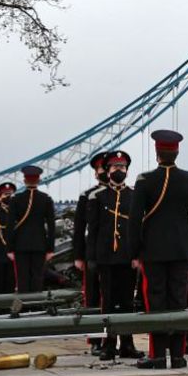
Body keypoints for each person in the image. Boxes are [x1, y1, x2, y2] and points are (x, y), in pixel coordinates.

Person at [130, 130, 188, 370]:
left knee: (156, 303)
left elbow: (134, 220)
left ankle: (157, 356)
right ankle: (178, 356)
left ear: (156, 152)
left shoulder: (144, 181)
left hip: (152, 252)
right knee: (178, 302)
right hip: (181, 251)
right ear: (177, 151)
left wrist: (135, 252)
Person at [90, 150, 143, 361]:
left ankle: (127, 344)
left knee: (127, 302)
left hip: (127, 258)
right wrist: (92, 258)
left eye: (121, 167)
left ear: (127, 171)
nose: (118, 170)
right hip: (106, 258)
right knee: (108, 303)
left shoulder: (133, 196)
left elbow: (138, 228)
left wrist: (137, 255)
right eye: (114, 167)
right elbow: (92, 230)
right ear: (108, 171)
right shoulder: (98, 197)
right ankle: (108, 344)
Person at [74, 152, 109, 355]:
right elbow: (79, 229)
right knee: (93, 297)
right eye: (101, 169)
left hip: (116, 255)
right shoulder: (87, 196)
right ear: (96, 173)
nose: (103, 172)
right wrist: (79, 256)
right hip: (93, 254)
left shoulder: (125, 194)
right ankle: (95, 339)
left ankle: (120, 339)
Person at [6, 166, 55, 292]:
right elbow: (51, 226)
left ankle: (25, 307)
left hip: (20, 245)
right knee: (38, 277)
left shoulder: (16, 199)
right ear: (38, 180)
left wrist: (10, 248)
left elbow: (10, 225)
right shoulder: (46, 199)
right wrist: (50, 249)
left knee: (22, 278)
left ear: (24, 180)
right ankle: (37, 307)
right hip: (40, 245)